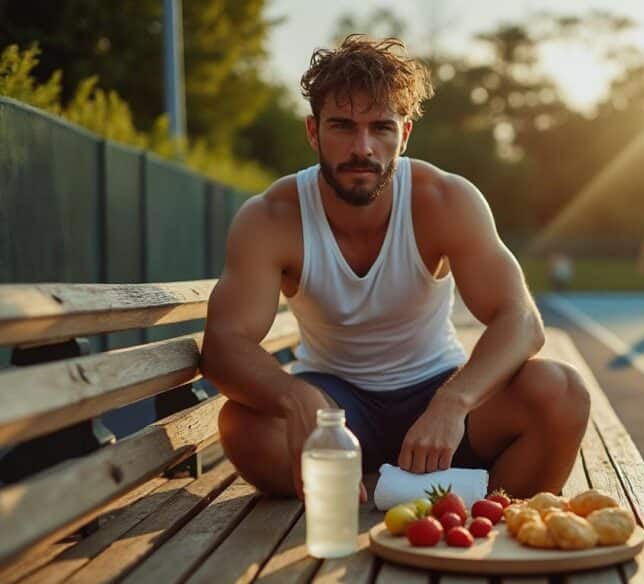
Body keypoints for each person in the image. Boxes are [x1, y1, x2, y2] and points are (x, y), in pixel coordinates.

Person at [199, 36, 590, 501]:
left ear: (403, 135)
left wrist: (453, 402)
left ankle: (480, 517)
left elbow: (521, 320)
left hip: (435, 389)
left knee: (562, 391)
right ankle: (393, 499)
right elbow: (224, 345)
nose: (361, 147)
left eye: (381, 127)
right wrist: (296, 397)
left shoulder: (444, 199)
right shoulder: (272, 216)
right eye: (342, 126)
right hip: (335, 406)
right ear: (313, 132)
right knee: (241, 425)